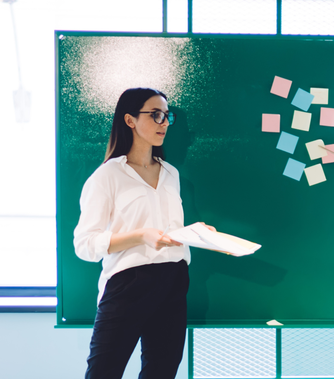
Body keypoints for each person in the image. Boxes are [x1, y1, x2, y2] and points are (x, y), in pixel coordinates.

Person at [74, 88, 214, 379]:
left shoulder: (171, 174)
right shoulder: (107, 176)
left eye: (167, 116)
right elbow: (84, 245)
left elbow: (169, 231)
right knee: (102, 373)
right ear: (130, 120)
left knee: (161, 373)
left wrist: (196, 232)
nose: (164, 123)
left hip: (174, 280)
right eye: (156, 115)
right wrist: (139, 236)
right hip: (128, 284)